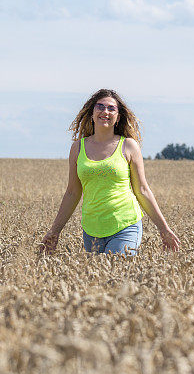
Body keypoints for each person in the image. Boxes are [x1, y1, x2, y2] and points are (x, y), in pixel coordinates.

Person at [40, 89, 181, 256]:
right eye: (100, 107)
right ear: (92, 113)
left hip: (125, 224)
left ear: (118, 117)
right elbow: (72, 192)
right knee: (97, 280)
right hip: (91, 230)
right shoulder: (78, 148)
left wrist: (164, 229)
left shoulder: (128, 146)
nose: (105, 111)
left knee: (117, 274)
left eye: (111, 108)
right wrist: (54, 231)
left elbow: (142, 190)